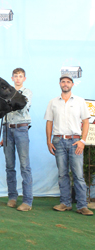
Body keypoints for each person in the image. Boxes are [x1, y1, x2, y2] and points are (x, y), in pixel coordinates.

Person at [44, 74, 93, 216]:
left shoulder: (80, 101)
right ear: (60, 84)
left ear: (72, 85)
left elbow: (85, 121)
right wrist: (48, 140)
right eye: (63, 82)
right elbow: (49, 122)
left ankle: (82, 205)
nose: (65, 84)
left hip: (75, 142)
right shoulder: (53, 102)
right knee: (62, 174)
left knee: (78, 174)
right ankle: (65, 203)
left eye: (68, 82)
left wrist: (82, 141)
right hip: (58, 141)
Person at [0, 68, 33, 211]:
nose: (18, 78)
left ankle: (27, 201)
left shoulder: (27, 92)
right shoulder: (6, 93)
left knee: (25, 165)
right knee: (9, 166)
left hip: (21, 128)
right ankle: (12, 197)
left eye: (21, 76)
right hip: (7, 129)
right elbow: (2, 110)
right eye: (16, 76)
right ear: (12, 78)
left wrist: (10, 103)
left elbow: (22, 107)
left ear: (24, 79)